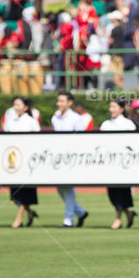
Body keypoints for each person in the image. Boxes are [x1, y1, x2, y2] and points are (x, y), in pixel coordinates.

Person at [51, 91, 90, 227]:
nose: (59, 103)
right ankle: (80, 212)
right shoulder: (55, 118)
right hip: (59, 158)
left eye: (62, 101)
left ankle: (68, 219)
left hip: (72, 158)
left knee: (67, 187)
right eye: (58, 101)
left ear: (70, 103)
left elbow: (80, 139)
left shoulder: (76, 118)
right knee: (60, 188)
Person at [100, 99, 137, 230]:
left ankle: (118, 219)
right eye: (110, 107)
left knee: (122, 191)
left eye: (114, 107)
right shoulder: (105, 124)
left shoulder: (128, 124)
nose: (111, 110)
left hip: (123, 165)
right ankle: (129, 213)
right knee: (112, 192)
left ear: (121, 109)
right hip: (110, 164)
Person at [4, 96, 39, 228]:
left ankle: (18, 219)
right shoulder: (11, 121)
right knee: (15, 193)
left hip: (27, 161)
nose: (15, 107)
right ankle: (30, 213)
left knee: (24, 191)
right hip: (13, 161)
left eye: (18, 105)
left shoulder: (31, 122)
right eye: (14, 105)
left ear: (25, 107)